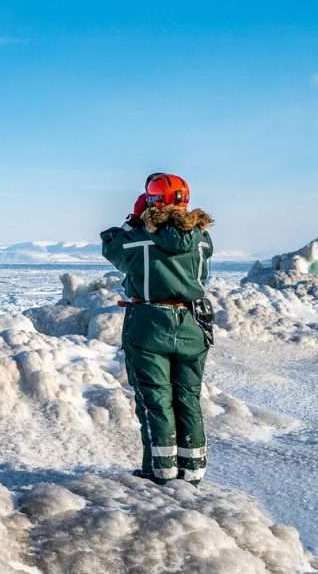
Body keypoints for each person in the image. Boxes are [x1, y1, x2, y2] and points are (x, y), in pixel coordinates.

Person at [100, 173, 215, 485]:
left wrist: (134, 219)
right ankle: (192, 471)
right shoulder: (203, 238)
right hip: (192, 325)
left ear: (152, 201)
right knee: (188, 397)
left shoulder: (141, 237)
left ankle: (160, 472)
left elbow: (111, 247)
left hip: (150, 324)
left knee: (156, 399)